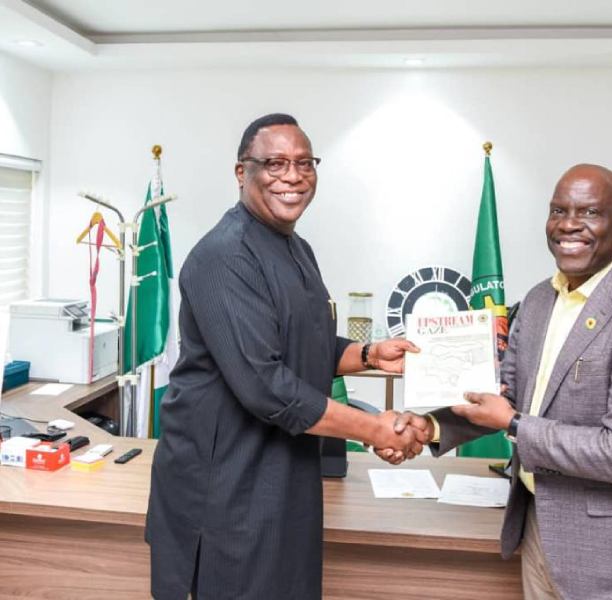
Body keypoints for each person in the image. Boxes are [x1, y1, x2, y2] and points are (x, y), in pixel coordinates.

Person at [385, 164, 612, 599]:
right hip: (542, 532)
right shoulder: (540, 300)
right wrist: (432, 428)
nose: (569, 224)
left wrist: (516, 424)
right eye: (559, 210)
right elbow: (506, 399)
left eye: (589, 212)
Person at [146, 113, 424, 600]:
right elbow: (266, 385)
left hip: (284, 478)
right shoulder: (224, 256)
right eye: (274, 163)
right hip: (227, 494)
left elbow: (303, 343)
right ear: (241, 173)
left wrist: (368, 354)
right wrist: (376, 428)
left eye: (303, 163)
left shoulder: (298, 249)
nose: (292, 177)